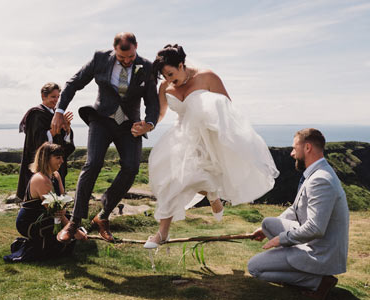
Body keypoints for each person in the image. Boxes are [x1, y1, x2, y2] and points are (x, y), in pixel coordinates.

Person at [143, 44, 279, 249]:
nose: (169, 80)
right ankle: (164, 232)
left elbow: (227, 108)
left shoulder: (207, 77)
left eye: (171, 73)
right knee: (169, 181)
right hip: (180, 137)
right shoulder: (165, 87)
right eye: (165, 76)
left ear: (181, 65)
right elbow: (161, 113)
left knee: (193, 177)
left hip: (207, 137)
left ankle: (212, 195)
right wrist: (148, 125)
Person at [52, 32, 159, 243]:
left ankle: (103, 215)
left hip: (129, 125)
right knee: (93, 164)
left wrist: (149, 124)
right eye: (122, 58)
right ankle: (74, 222)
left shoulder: (146, 67)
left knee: (131, 168)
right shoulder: (100, 58)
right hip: (101, 119)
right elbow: (74, 83)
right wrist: (59, 110)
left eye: (130, 58)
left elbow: (152, 102)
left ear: (136, 47)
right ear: (114, 50)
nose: (127, 62)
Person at [248, 128, 349, 300]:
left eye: (295, 148)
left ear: (307, 148)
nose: (292, 153)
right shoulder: (316, 172)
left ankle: (317, 281)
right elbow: (295, 210)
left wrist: (281, 239)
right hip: (314, 240)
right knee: (267, 223)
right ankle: (291, 262)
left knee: (255, 267)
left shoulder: (320, 180)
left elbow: (315, 229)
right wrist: (265, 230)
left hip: (319, 250)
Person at [4, 143, 87, 262]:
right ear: (46, 159)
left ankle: (46, 246)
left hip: (47, 217)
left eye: (62, 157)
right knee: (62, 232)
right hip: (30, 221)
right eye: (58, 158)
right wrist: (74, 231)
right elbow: (55, 210)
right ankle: (26, 247)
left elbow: (62, 198)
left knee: (69, 222)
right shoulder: (41, 180)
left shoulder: (55, 175)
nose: (62, 161)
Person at [17, 82, 75, 200]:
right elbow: (35, 141)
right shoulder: (36, 114)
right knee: (41, 197)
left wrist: (67, 129)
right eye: (53, 97)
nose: (56, 100)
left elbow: (65, 145)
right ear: (44, 96)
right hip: (41, 164)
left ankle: (57, 211)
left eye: (58, 97)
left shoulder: (57, 115)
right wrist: (52, 132)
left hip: (56, 164)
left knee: (57, 194)